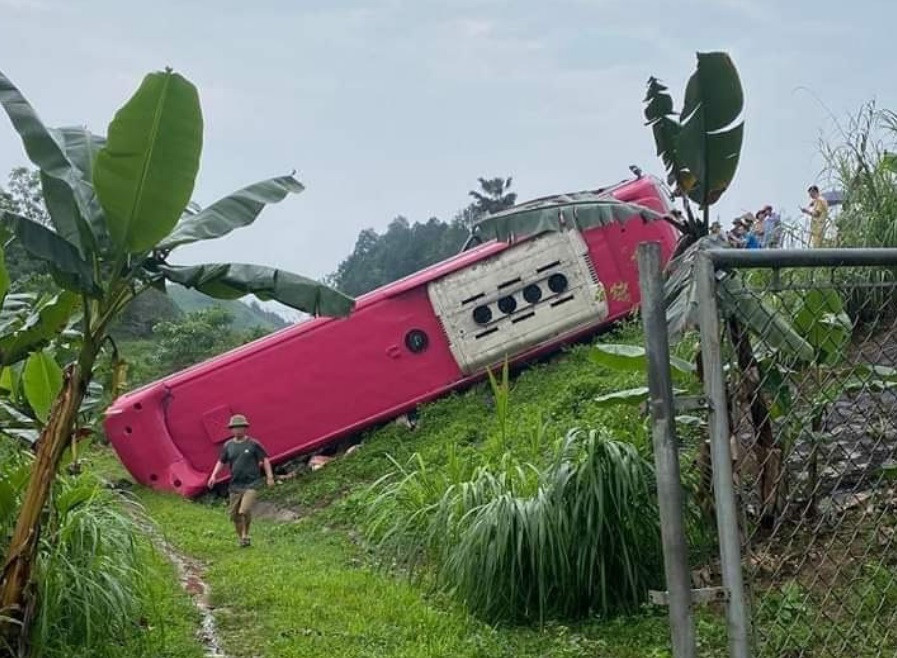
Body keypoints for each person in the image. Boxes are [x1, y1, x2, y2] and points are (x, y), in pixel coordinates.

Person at [207, 414, 275, 547]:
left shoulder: (253, 444)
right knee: (235, 516)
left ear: (245, 428)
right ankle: (242, 538)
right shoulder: (228, 445)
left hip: (252, 483)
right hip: (235, 485)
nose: (237, 430)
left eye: (240, 427)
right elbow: (221, 461)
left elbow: (265, 459)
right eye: (234, 428)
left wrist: (269, 477)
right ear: (231, 430)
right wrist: (214, 475)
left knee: (243, 510)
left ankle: (246, 534)